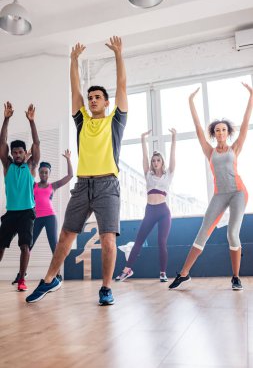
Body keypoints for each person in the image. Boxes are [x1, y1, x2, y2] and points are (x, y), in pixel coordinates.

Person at [26, 36, 128, 305]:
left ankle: (106, 288)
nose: (93, 100)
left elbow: (122, 86)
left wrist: (118, 54)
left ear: (107, 103)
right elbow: (75, 93)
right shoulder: (82, 121)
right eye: (91, 97)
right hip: (82, 185)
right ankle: (50, 280)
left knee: (108, 240)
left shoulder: (115, 121)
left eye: (98, 97)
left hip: (108, 186)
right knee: (66, 235)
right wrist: (73, 60)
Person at [169, 83, 253, 291]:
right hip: (220, 195)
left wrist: (251, 96)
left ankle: (235, 277)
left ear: (228, 132)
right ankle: (184, 274)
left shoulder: (235, 148)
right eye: (217, 130)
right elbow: (198, 129)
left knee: (232, 234)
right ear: (214, 134)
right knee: (202, 232)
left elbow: (245, 123)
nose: (221, 132)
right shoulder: (210, 151)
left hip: (238, 193)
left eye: (224, 129)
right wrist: (190, 103)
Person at [115, 129, 176, 282]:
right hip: (150, 210)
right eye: (153, 161)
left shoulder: (168, 174)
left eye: (158, 160)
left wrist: (174, 138)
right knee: (139, 241)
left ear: (162, 162)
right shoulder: (148, 174)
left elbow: (174, 158)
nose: (155, 163)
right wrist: (142, 139)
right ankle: (127, 270)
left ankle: (163, 272)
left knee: (162, 242)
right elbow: (143, 157)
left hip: (163, 211)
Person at [12, 150, 73, 284]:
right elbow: (24, 175)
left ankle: (57, 274)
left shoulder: (53, 186)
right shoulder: (33, 185)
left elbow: (70, 176)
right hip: (37, 218)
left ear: (49, 174)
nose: (44, 174)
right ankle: (21, 274)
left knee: (54, 246)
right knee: (28, 245)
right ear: (39, 173)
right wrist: (26, 158)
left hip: (50, 217)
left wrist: (68, 159)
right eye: (42, 172)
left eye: (46, 172)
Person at [0, 102, 40, 291]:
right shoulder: (7, 166)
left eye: (20, 152)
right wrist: (6, 119)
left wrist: (31, 122)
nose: (17, 154)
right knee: (1, 245)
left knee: (25, 246)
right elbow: (2, 144)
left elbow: (37, 144)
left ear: (25, 154)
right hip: (11, 213)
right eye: (14, 152)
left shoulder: (31, 167)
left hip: (27, 212)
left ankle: (22, 279)